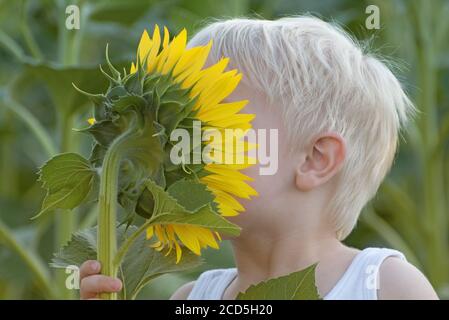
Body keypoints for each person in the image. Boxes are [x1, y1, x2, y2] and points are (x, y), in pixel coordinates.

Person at [79, 16, 438, 300]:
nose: (174, 142)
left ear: (315, 159)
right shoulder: (195, 296)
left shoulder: (383, 285)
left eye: (206, 122)